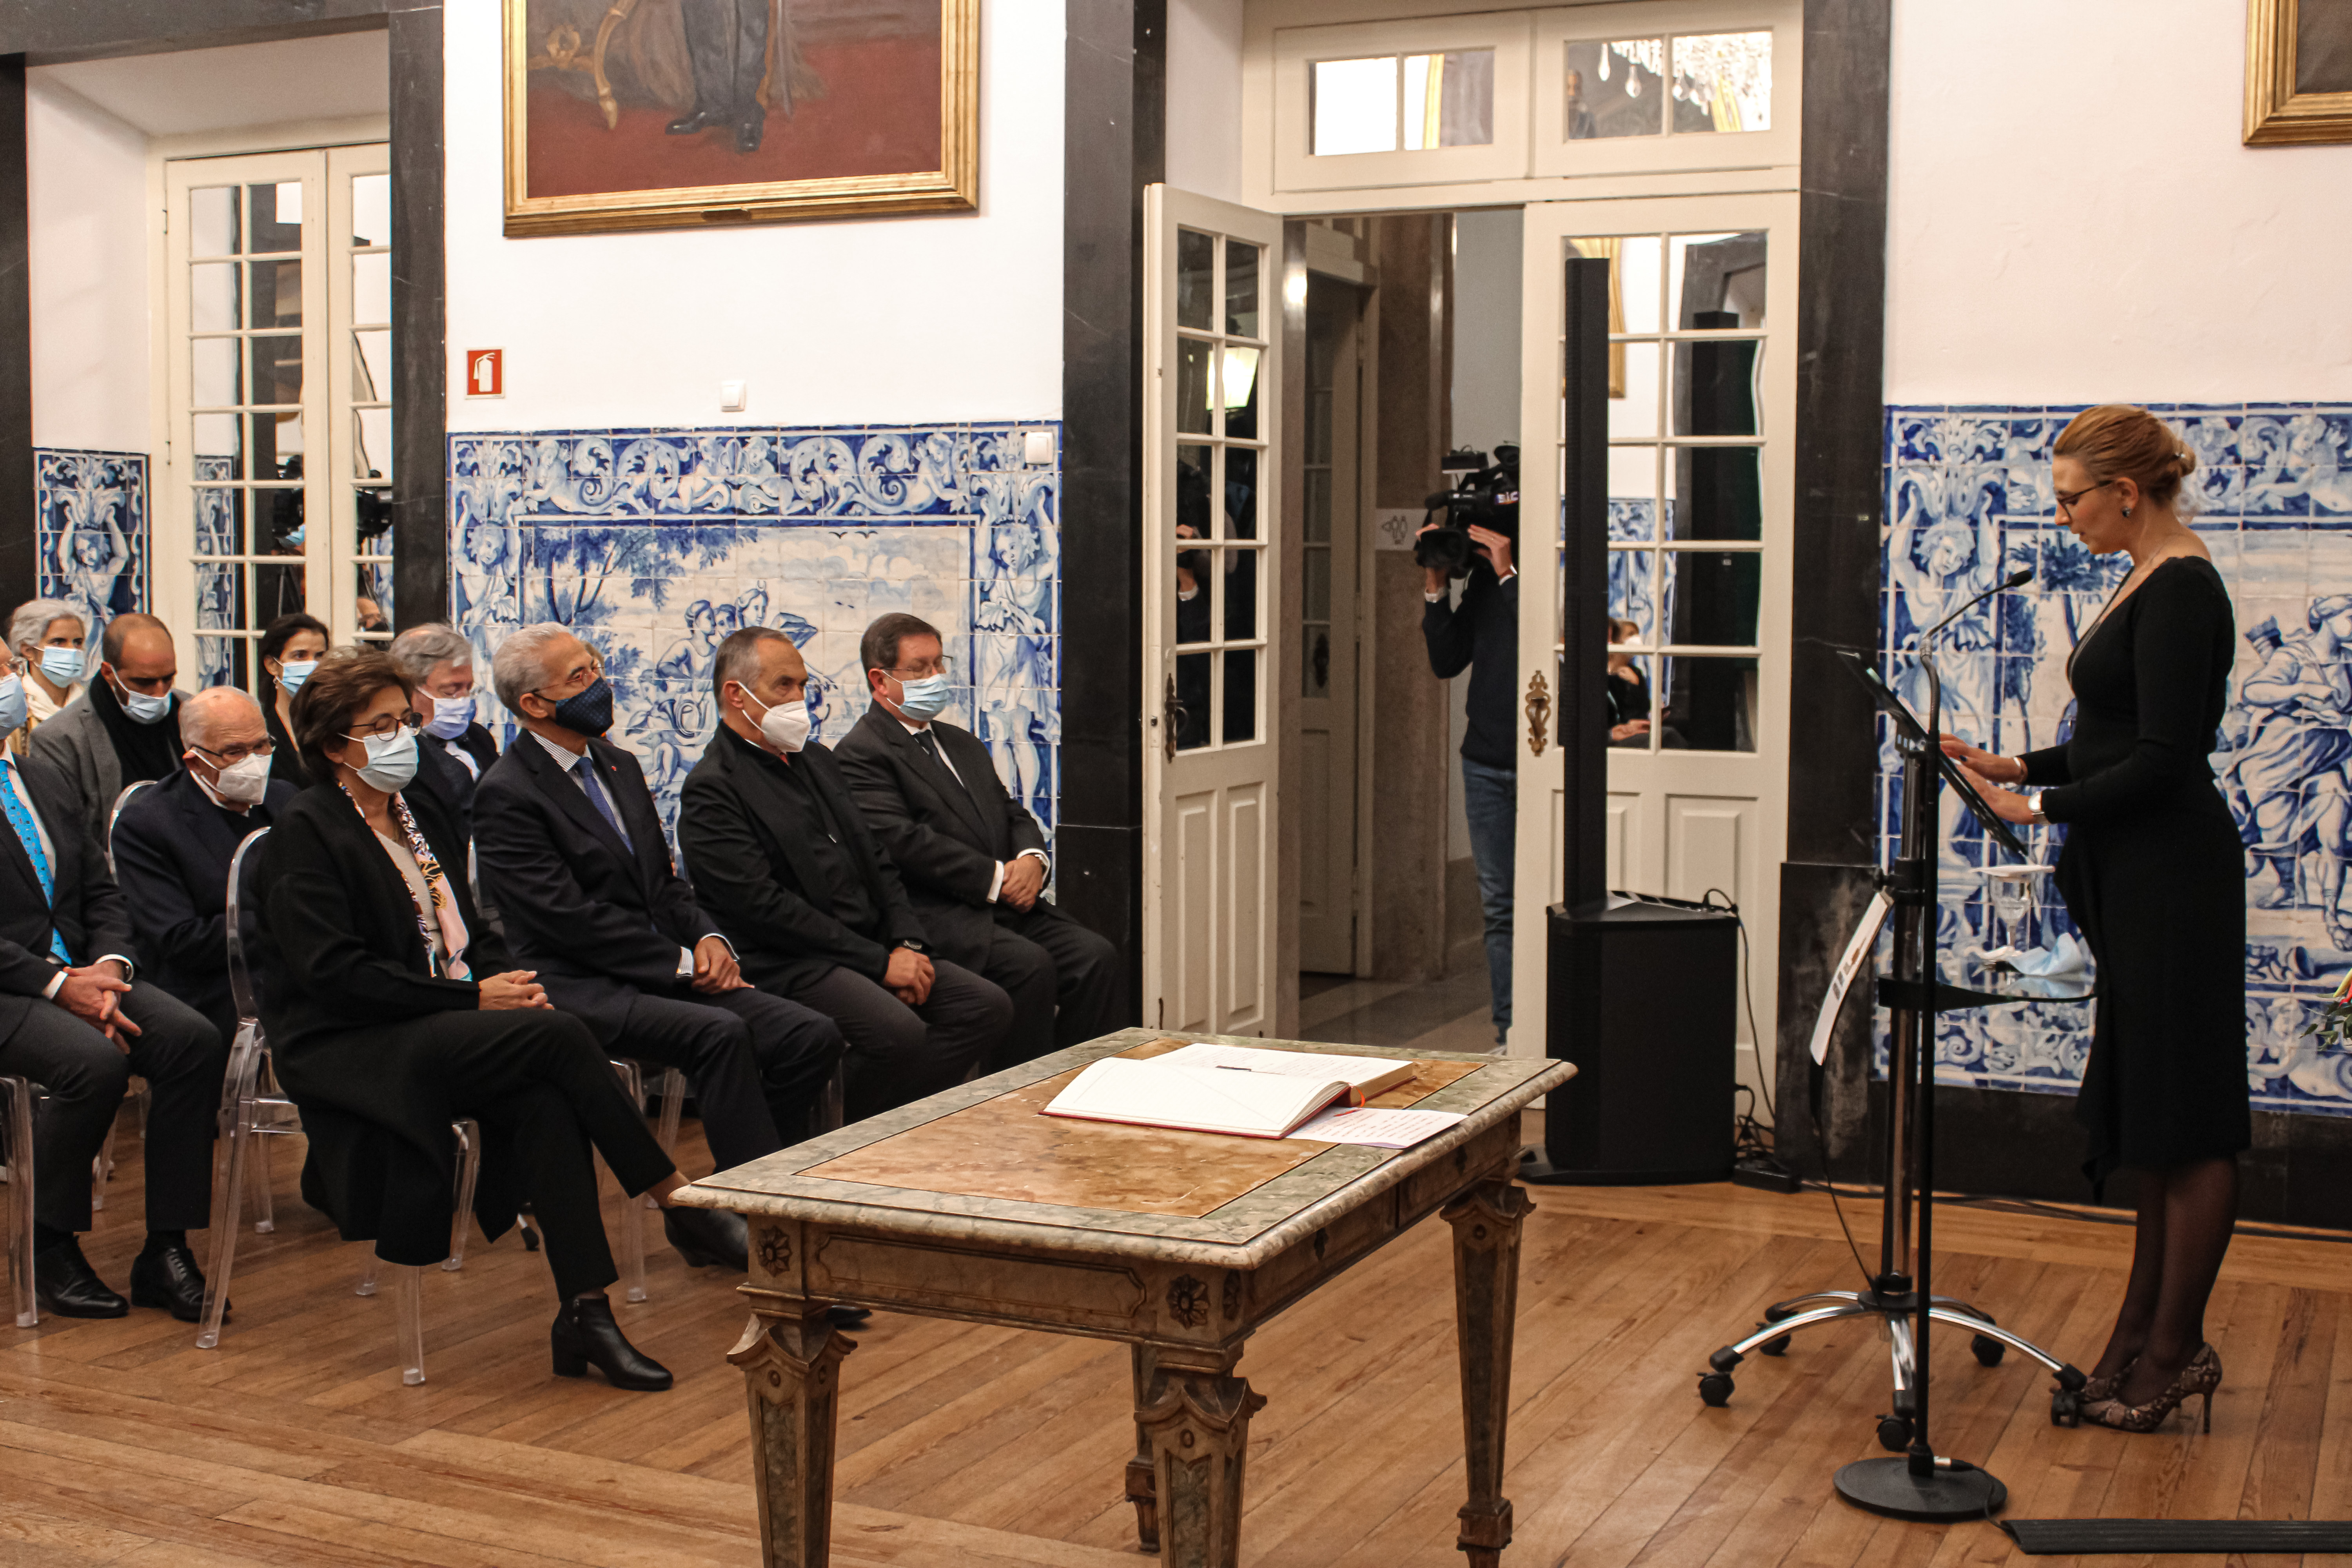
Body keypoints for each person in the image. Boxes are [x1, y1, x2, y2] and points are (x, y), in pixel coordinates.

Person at [255, 650, 731, 1391]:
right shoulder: (306, 830)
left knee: (544, 1098)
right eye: (379, 727)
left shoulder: (416, 813)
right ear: (333, 746)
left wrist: (505, 983)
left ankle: (587, 1314)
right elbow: (336, 977)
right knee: (559, 1036)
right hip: (348, 1041)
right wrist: (475, 1000)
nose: (401, 738)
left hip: (434, 1021)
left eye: (404, 721)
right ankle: (676, 1197)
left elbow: (474, 934)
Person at [1942, 405, 2244, 1434]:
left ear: (2126, 491)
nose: (2064, 516)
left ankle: (2173, 1350)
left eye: (2073, 499)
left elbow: (2164, 760)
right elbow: (2117, 733)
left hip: (2174, 876)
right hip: (2136, 871)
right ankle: (2136, 1341)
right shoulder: (2147, 573)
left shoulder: (2183, 585)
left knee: (2190, 1117)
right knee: (2152, 1119)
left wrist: (2039, 805)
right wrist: (2014, 763)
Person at [474, 624, 848, 1272]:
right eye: (578, 678)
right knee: (719, 1034)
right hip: (577, 984)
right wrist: (679, 963)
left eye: (595, 667)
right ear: (533, 704)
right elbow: (566, 920)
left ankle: (736, 1197)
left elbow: (663, 886)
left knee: (809, 1035)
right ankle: (767, 1229)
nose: (599, 684)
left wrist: (706, 937)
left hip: (657, 969)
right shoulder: (507, 792)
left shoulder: (617, 764)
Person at [679, 627, 1013, 1122]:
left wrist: (907, 943)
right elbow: (764, 908)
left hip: (870, 941)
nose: (799, 699)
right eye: (784, 686)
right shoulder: (712, 789)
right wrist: (879, 964)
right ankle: (820, 1139)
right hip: (793, 958)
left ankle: (884, 1125)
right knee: (895, 1032)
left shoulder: (815, 759)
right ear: (737, 694)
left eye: (802, 685)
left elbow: (877, 859)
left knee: (985, 1006)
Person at [0, 701, 227, 1321]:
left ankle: (167, 1248)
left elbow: (102, 890)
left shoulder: (41, 776)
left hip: (84, 972)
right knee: (93, 1064)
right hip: (14, 986)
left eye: (7, 667)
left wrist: (111, 967)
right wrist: (56, 985)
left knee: (192, 1040)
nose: (9, 683)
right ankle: (48, 1245)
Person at [837, 613, 1120, 1067]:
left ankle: (1079, 1081)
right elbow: (905, 843)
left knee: (1095, 957)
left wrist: (1031, 858)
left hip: (1004, 906)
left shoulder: (960, 742)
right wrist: (998, 878)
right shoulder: (861, 753)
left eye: (939, 663)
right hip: (943, 915)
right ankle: (1020, 1096)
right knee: (1030, 967)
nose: (936, 676)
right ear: (880, 680)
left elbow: (1009, 810)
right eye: (920, 668)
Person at [110, 686, 299, 1047]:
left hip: (292, 965)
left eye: (261, 746)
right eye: (235, 752)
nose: (254, 761)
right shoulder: (148, 824)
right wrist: (292, 921)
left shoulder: (284, 798)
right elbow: (180, 940)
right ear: (195, 761)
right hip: (213, 985)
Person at [1419, 507, 1520, 1045]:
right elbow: (1447, 660)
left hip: (1543, 760)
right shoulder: (1481, 582)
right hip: (1484, 760)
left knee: (1553, 898)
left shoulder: (1551, 570)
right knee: (1500, 906)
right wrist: (1436, 585)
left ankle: (1549, 1027)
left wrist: (1509, 575)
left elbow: (1550, 648)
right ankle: (1509, 1032)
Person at [24, 611, 189, 849]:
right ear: (109, 674)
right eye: (144, 682)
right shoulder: (60, 738)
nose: (160, 693)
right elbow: (71, 839)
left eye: (168, 679)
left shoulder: (191, 710)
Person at [389, 622, 501, 835]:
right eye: (450, 691)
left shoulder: (479, 738)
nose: (463, 700)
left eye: (468, 689)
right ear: (409, 689)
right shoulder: (396, 753)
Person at [258, 612, 330, 791]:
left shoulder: (337, 724)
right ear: (272, 665)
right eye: (300, 656)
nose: (313, 665)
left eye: (320, 656)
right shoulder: (260, 731)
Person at [8, 598, 85, 756]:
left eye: (78, 643)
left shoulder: (93, 705)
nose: (72, 650)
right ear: (29, 651)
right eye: (59, 642)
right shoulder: (11, 709)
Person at [1606, 617, 1652, 747]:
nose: (1636, 639)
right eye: (1631, 634)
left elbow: (1643, 709)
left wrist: (1634, 684)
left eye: (1637, 634)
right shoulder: (1603, 674)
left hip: (1634, 731)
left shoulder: (1636, 672)